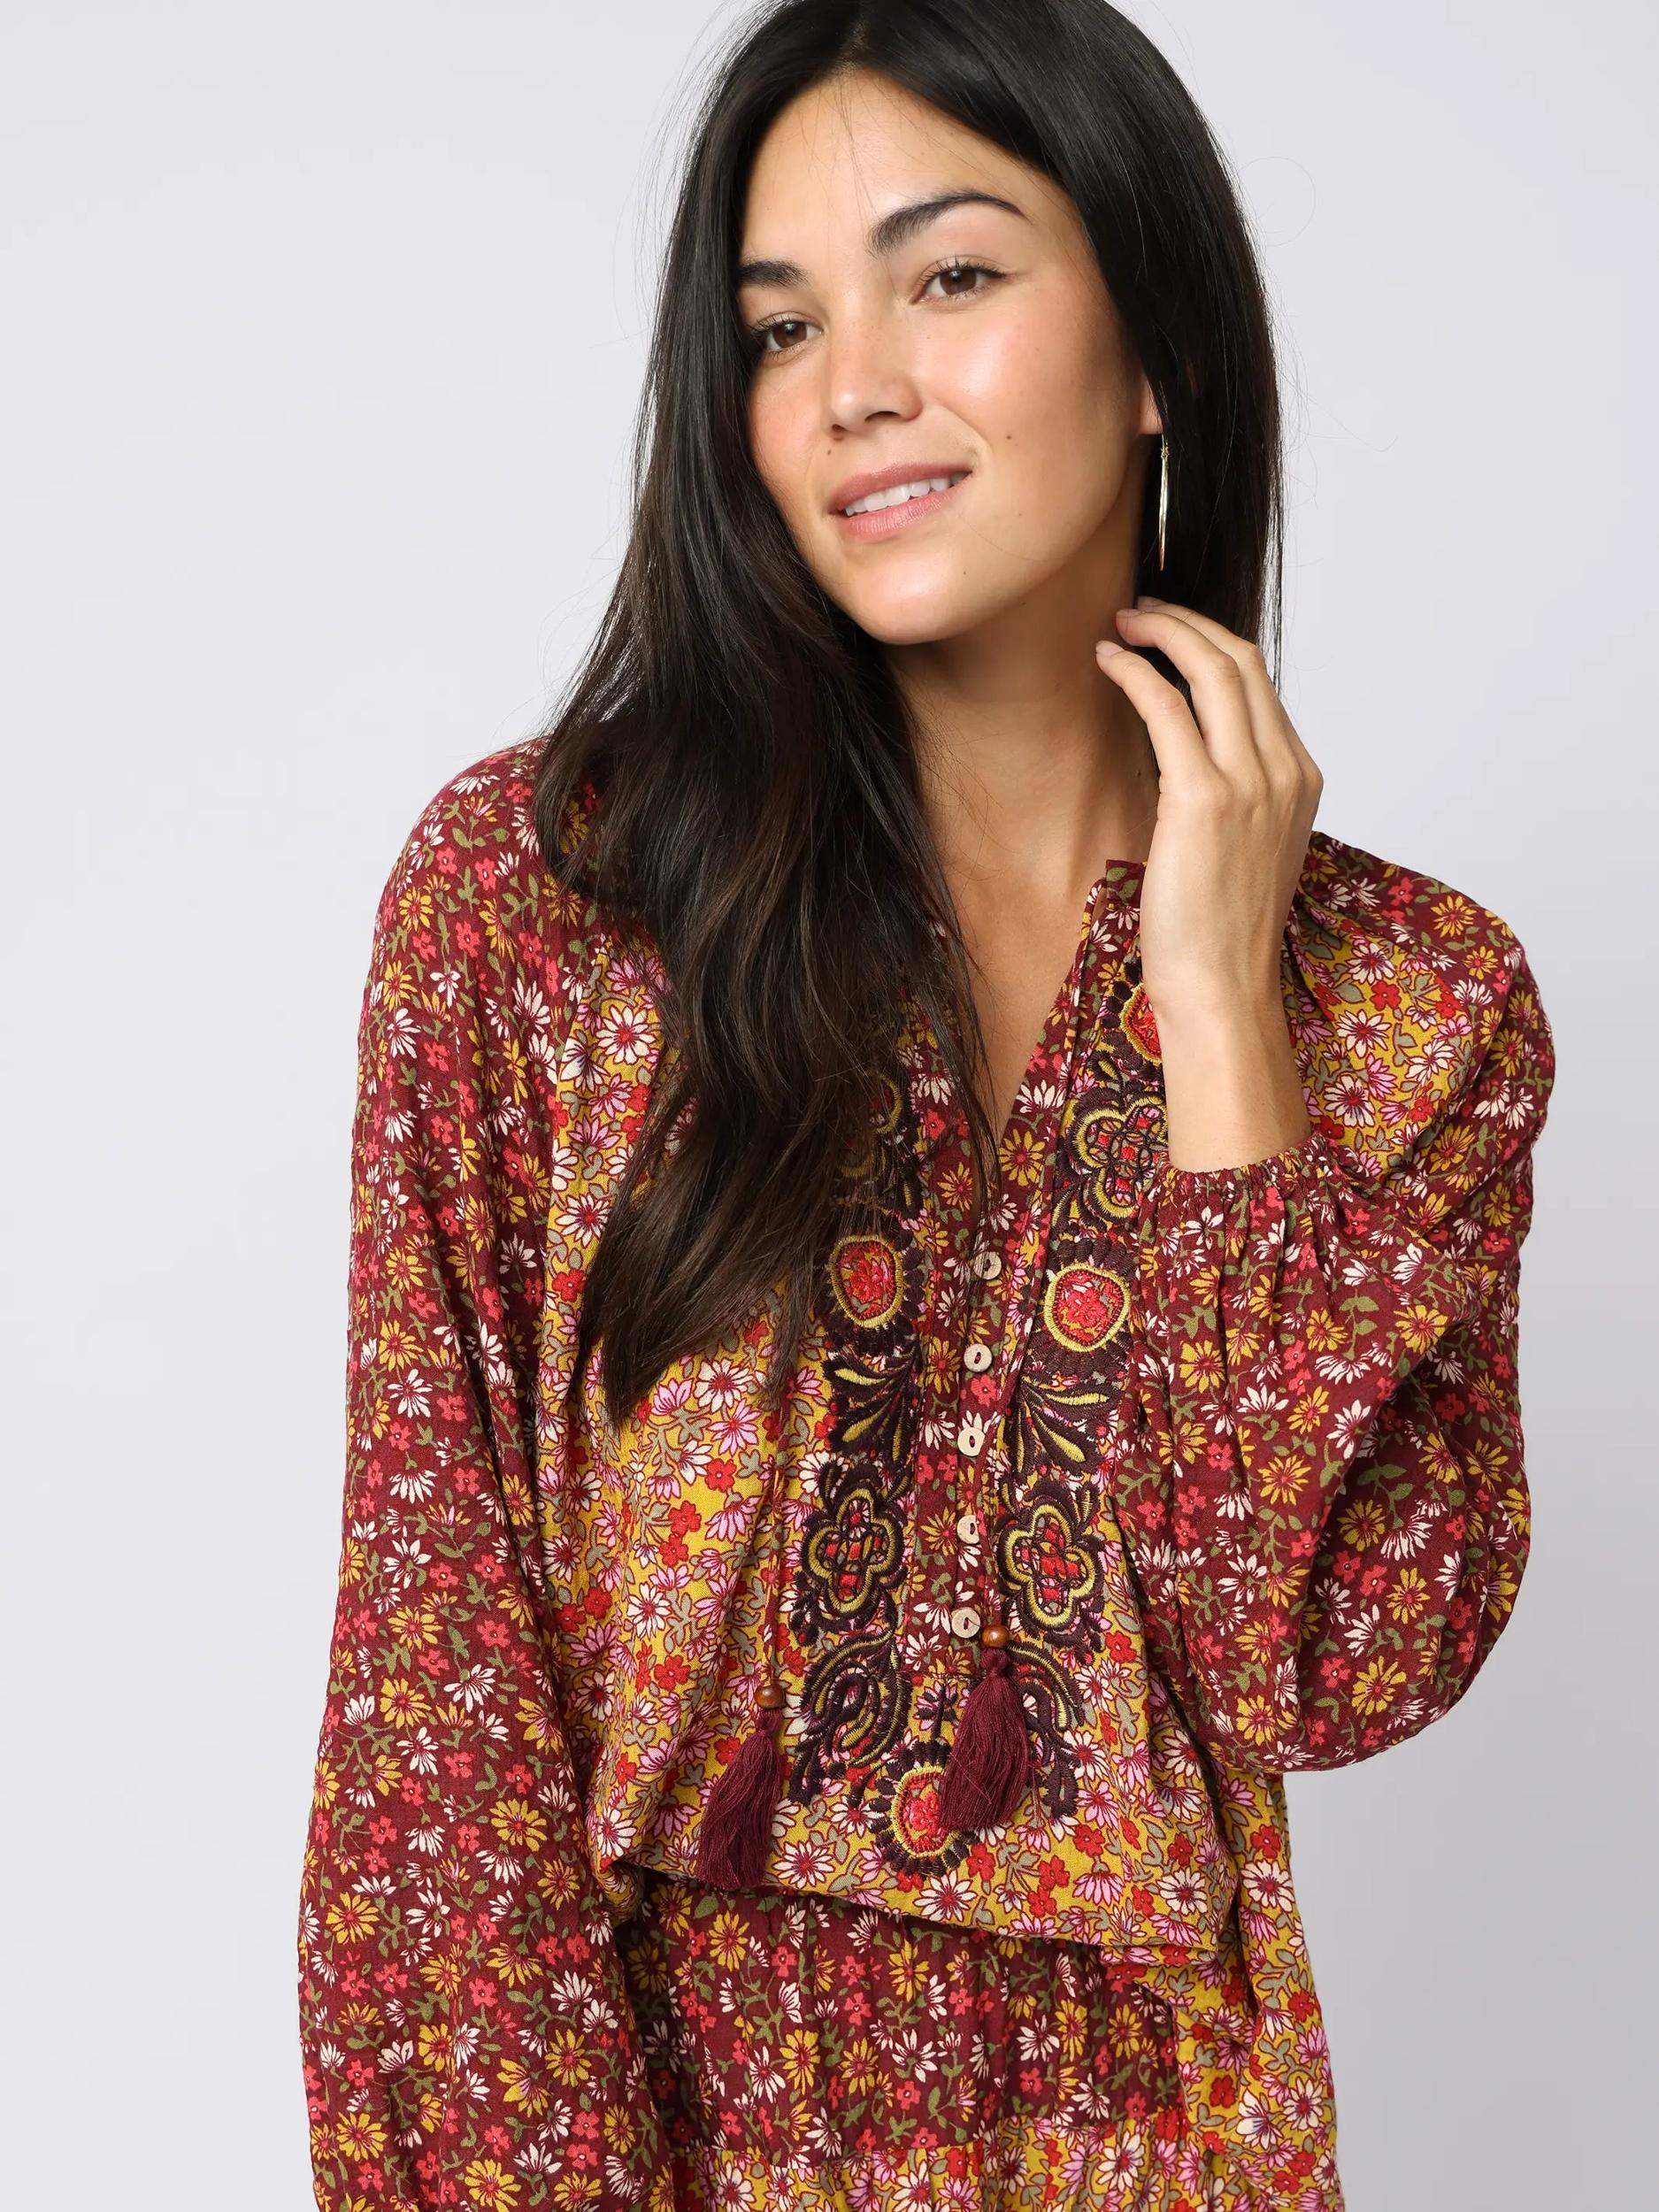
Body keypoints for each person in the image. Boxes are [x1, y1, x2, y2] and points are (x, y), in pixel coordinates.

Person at [295, 4, 1556, 2208]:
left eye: (947, 275)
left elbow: (1329, 1660)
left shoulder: (1407, 1002)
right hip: (654, 2136)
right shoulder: (546, 909)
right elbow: (438, 1719)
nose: (849, 387)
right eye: (778, 327)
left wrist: (1215, 1011)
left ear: (1161, 341)